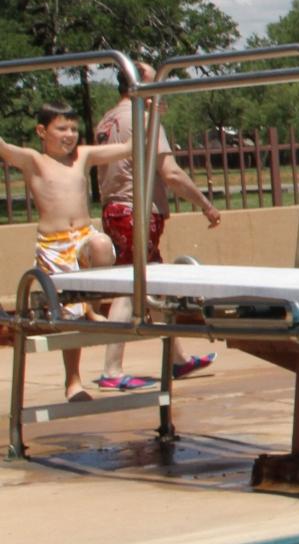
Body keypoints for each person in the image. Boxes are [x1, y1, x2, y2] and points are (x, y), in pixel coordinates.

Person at [92, 62, 223, 390]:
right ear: (139, 87)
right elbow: (171, 173)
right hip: (136, 209)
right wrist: (205, 205)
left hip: (115, 207)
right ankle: (111, 369)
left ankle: (177, 359)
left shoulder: (107, 118)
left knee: (156, 281)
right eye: (155, 83)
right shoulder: (144, 118)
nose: (159, 91)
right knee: (131, 283)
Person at [0, 104, 130, 402]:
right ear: (42, 131)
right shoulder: (35, 161)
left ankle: (94, 308)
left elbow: (126, 148)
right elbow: (4, 149)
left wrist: (149, 111)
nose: (70, 135)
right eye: (62, 128)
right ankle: (73, 380)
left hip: (83, 236)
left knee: (101, 245)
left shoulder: (82, 156)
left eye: (73, 128)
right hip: (54, 245)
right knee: (70, 313)